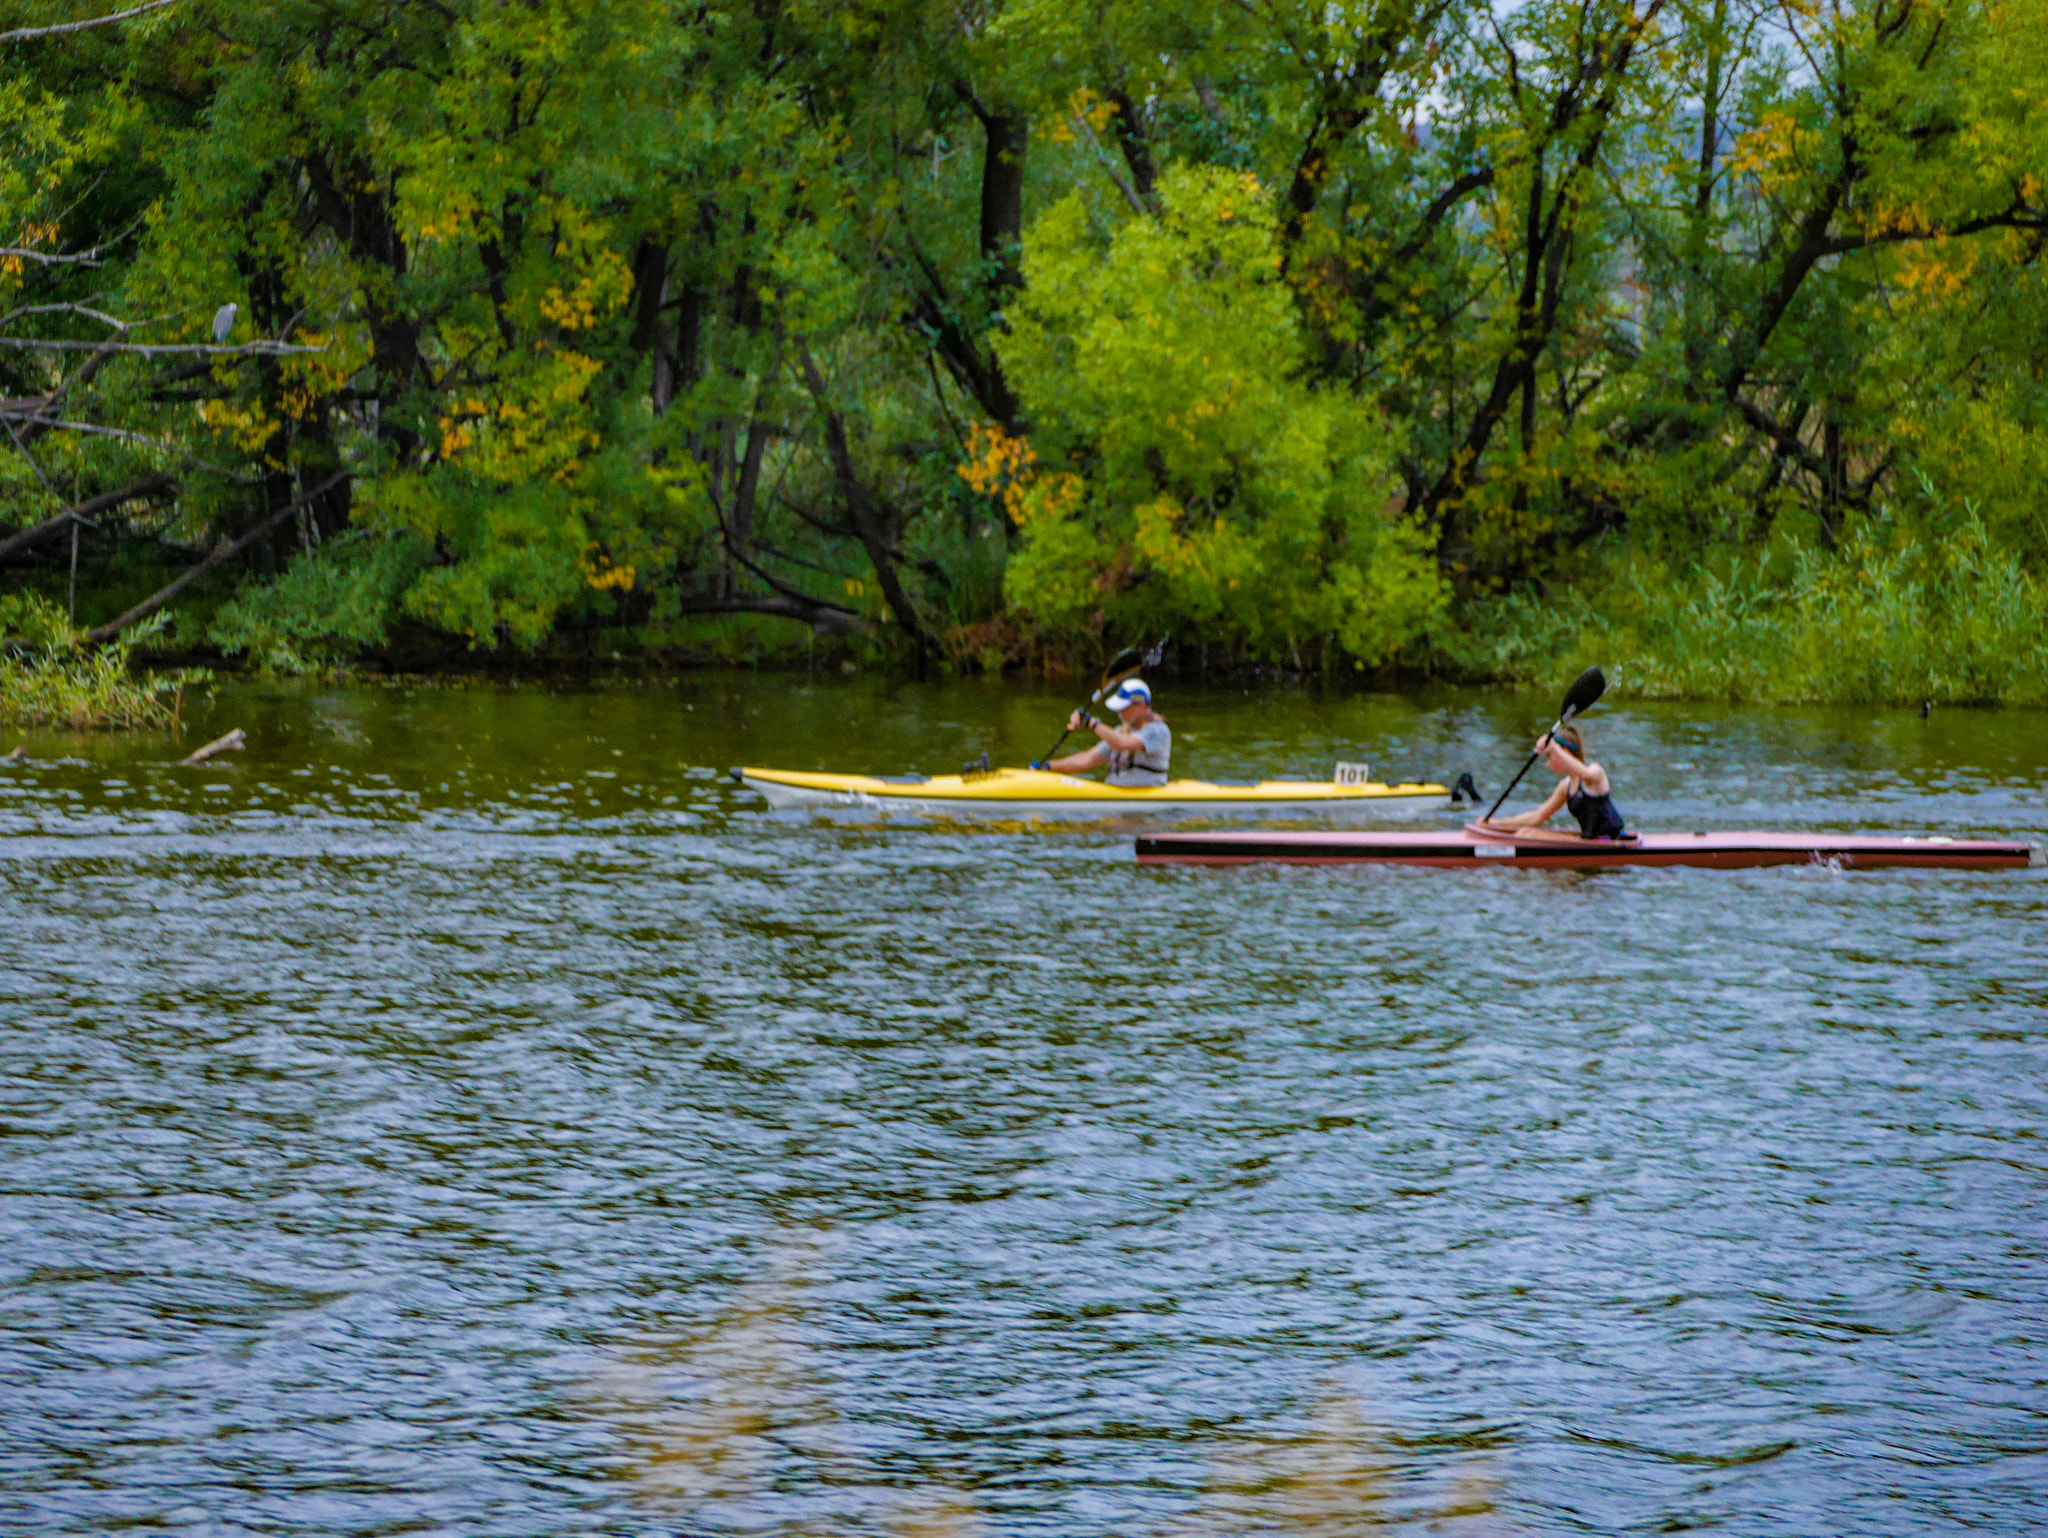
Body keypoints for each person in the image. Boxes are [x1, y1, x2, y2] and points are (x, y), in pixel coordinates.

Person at [1483, 722, 1631, 839]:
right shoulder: (1565, 786)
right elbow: (1537, 817)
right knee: (1527, 832)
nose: (1548, 764)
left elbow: (1585, 774)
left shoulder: (1595, 772)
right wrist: (1493, 823)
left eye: (1550, 756)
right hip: (1590, 841)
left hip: (1611, 841)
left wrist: (1553, 746)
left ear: (1565, 752)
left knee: (1530, 834)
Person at [1035, 678, 1171, 787]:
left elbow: (1122, 744)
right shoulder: (1120, 732)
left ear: (1141, 705)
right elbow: (1087, 760)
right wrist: (1049, 766)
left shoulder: (1157, 731)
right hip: (1116, 793)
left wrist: (1091, 723)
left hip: (1145, 795)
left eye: (1124, 707)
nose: (1120, 712)